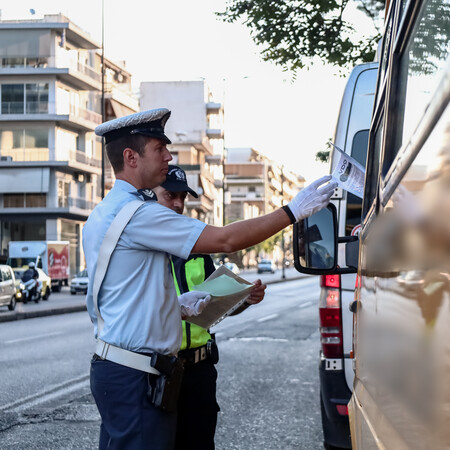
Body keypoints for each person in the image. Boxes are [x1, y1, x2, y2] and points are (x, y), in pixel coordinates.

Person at [83, 107, 337, 449]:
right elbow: (226, 239)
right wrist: (293, 211)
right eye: (159, 148)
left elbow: (124, 296)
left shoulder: (105, 213)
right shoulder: (139, 214)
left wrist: (175, 305)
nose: (169, 156)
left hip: (120, 371)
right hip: (135, 376)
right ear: (131, 157)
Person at [153, 165, 267, 450]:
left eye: (182, 197)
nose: (178, 204)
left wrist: (244, 300)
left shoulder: (198, 249)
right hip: (158, 369)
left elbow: (214, 309)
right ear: (151, 195)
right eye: (170, 195)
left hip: (200, 370)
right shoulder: (143, 248)